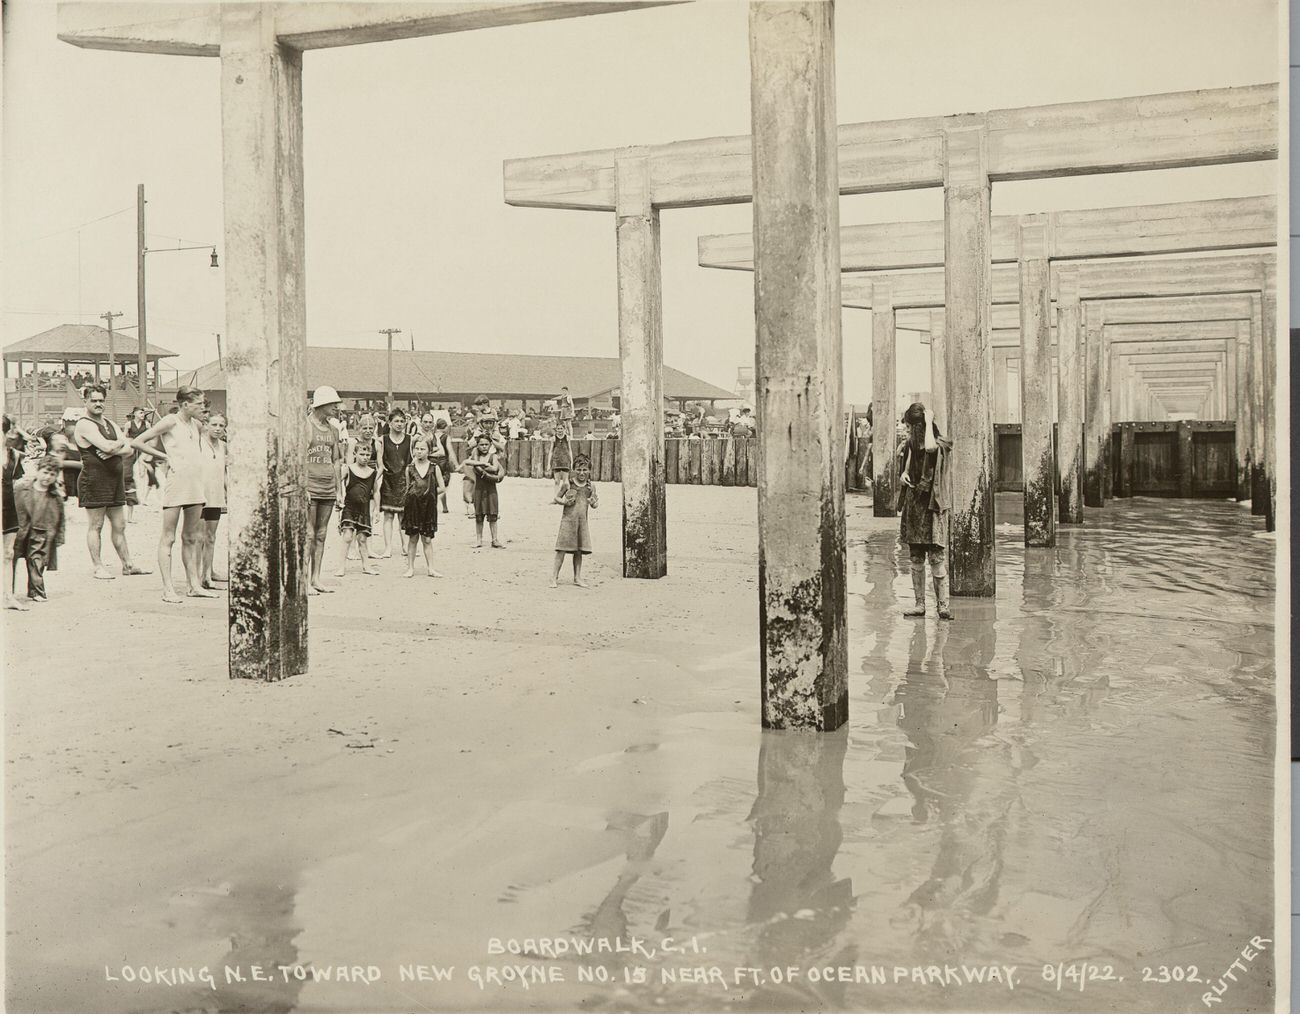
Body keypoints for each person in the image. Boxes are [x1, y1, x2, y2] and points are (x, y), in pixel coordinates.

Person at [129, 384, 210, 603]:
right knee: (169, 537)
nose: (203, 407)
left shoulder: (197, 424)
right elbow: (137, 441)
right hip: (176, 484)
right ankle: (168, 589)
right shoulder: (170, 421)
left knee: (191, 537)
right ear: (185, 404)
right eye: (199, 403)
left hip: (195, 483)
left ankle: (193, 585)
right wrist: (164, 457)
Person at [75, 385, 151, 581]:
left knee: (120, 525)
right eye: (94, 400)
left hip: (114, 480)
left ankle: (128, 564)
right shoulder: (84, 424)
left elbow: (130, 449)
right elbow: (111, 445)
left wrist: (113, 448)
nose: (98, 404)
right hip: (94, 480)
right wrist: (117, 444)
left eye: (101, 400)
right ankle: (98, 567)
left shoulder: (109, 423)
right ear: (85, 402)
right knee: (96, 525)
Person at [891, 402, 954, 620]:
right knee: (916, 558)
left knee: (937, 559)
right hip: (914, 505)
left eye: (909, 427)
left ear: (918, 426)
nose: (907, 431)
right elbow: (907, 469)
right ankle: (920, 604)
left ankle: (942, 606)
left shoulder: (939, 443)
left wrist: (928, 422)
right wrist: (903, 475)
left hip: (932, 507)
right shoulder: (909, 446)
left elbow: (929, 448)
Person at [305, 385, 344, 595]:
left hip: (328, 487)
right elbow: (299, 459)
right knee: (308, 534)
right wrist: (303, 487)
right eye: (333, 404)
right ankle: (303, 580)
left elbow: (336, 460)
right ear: (322, 405)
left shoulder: (333, 430)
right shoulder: (306, 425)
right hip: (310, 486)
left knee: (321, 534)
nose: (336, 408)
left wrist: (339, 490)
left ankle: (316, 578)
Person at [12, 455, 66, 602]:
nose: (47, 477)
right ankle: (7, 592)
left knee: (37, 562)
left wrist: (60, 537)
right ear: (38, 470)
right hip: (21, 529)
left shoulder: (56, 496)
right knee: (11, 558)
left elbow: (61, 519)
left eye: (52, 474)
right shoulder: (21, 488)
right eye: (45, 472)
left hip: (41, 532)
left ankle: (36, 591)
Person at [335, 437, 381, 578]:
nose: (365, 457)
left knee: (362, 539)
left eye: (368, 455)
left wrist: (377, 509)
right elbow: (337, 482)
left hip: (364, 509)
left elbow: (376, 491)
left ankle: (366, 566)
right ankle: (341, 567)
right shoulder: (348, 469)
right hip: (349, 507)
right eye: (362, 454)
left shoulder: (372, 472)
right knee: (347, 537)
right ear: (355, 454)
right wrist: (339, 497)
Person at [551, 452, 598, 588]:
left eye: (584, 470)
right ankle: (554, 578)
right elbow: (557, 498)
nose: (582, 472)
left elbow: (595, 504)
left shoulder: (590, 487)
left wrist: (593, 502)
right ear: (573, 470)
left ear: (589, 470)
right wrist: (564, 502)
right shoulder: (568, 484)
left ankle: (577, 577)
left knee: (578, 551)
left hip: (582, 523)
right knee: (561, 550)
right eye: (578, 469)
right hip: (567, 522)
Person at [401, 436, 445, 578]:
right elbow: (408, 488)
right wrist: (414, 495)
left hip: (428, 508)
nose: (419, 451)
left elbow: (442, 488)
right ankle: (410, 568)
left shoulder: (434, 467)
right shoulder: (409, 469)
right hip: (413, 508)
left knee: (427, 539)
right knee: (413, 538)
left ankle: (431, 568)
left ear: (429, 451)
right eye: (417, 449)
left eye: (422, 449)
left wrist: (430, 494)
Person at [199, 410, 228, 589]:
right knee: (199, 537)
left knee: (211, 537)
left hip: (216, 496)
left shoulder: (223, 446)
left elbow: (224, 472)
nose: (217, 429)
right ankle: (199, 576)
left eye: (221, 425)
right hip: (199, 496)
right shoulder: (199, 443)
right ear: (207, 425)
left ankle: (209, 572)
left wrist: (228, 490)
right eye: (214, 425)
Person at [378, 407, 411, 558]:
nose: (399, 424)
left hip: (404, 482)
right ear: (389, 423)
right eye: (396, 421)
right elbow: (379, 463)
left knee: (403, 517)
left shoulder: (410, 440)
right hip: (389, 482)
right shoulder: (382, 440)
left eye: (402, 421)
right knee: (388, 516)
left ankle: (405, 546)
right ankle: (388, 548)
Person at [3, 416, 28, 610]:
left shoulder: (15, 455)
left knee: (9, 553)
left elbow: (18, 481)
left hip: (8, 507)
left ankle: (9, 596)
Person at [463, 432, 504, 549]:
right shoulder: (476, 457)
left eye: (486, 444)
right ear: (478, 446)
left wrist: (483, 469)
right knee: (479, 516)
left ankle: (494, 539)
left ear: (490, 444)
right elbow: (467, 462)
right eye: (481, 445)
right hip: (479, 489)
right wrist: (483, 464)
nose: (484, 447)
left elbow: (495, 468)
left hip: (491, 489)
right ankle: (479, 540)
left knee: (493, 515)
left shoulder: (493, 456)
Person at [432, 418, 456, 514]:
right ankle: (444, 507)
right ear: (445, 427)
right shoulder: (446, 437)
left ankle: (434, 506)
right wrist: (455, 465)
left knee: (433, 484)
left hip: (432, 460)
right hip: (443, 462)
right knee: (443, 485)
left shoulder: (431, 436)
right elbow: (450, 452)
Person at [550, 418, 573, 496]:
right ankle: (556, 497)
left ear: (564, 429)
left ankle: (568, 497)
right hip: (556, 461)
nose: (560, 430)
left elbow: (570, 450)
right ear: (556, 430)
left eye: (561, 428)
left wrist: (571, 461)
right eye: (558, 429)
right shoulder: (553, 439)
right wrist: (548, 463)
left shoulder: (567, 438)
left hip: (565, 461)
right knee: (556, 481)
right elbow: (551, 451)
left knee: (565, 481)